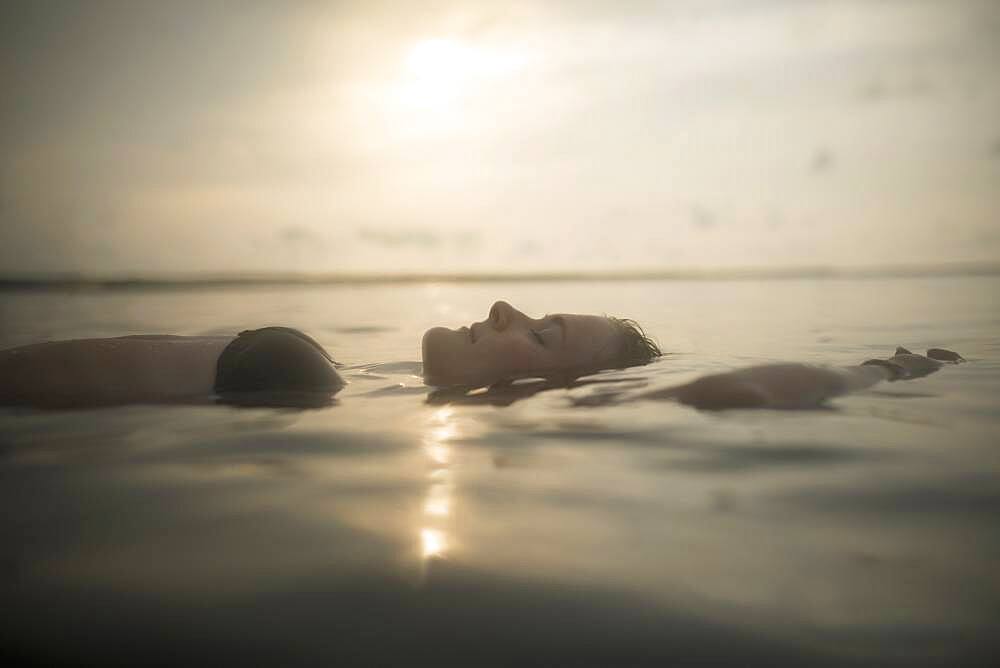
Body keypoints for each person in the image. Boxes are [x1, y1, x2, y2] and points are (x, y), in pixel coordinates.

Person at [0, 301, 659, 409]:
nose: (502, 309)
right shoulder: (324, 378)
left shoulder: (294, 374)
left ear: (532, 394)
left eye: (541, 336)